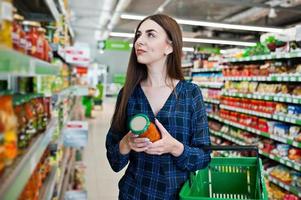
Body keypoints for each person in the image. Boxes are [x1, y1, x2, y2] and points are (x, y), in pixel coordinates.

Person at [105, 14, 211, 200]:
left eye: (150, 35)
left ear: (169, 46)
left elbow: (203, 157)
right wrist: (126, 143)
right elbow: (114, 160)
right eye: (138, 35)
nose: (139, 41)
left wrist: (175, 148)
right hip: (133, 194)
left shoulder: (190, 93)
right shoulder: (129, 93)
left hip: (177, 195)